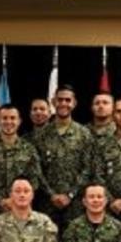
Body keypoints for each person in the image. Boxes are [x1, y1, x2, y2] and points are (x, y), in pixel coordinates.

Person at [0, 105, 46, 222]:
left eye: (12, 118)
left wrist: (17, 200)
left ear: (19, 121)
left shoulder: (29, 148)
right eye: (4, 118)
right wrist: (0, 199)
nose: (8, 122)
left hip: (22, 209)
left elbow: (36, 178)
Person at [34, 85, 92, 226]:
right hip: (47, 203)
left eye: (68, 100)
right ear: (53, 102)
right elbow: (36, 169)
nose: (64, 103)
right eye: (60, 100)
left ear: (74, 103)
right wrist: (51, 195)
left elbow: (88, 168)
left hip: (75, 204)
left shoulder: (84, 134)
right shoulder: (41, 135)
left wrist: (70, 195)